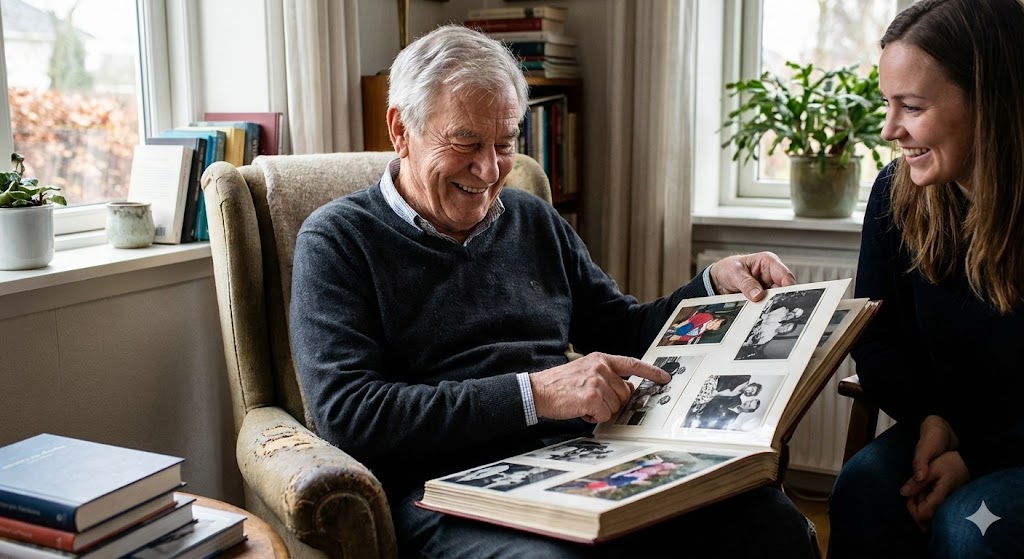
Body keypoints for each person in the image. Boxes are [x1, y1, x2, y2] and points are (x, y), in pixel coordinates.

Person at [289, 24, 815, 558]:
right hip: (445, 490)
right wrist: (536, 395)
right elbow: (350, 414)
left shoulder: (531, 217)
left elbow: (621, 329)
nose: (489, 170)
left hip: (578, 461)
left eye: (503, 144)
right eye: (466, 142)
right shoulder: (337, 239)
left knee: (770, 522)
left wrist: (710, 288)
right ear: (400, 129)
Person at [828, 1, 1024, 558]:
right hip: (948, 428)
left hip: (1006, 443)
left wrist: (972, 456)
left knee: (967, 528)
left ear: (989, 101)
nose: (891, 130)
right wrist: (932, 419)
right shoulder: (897, 192)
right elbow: (877, 337)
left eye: (911, 107)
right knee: (863, 490)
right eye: (888, 104)